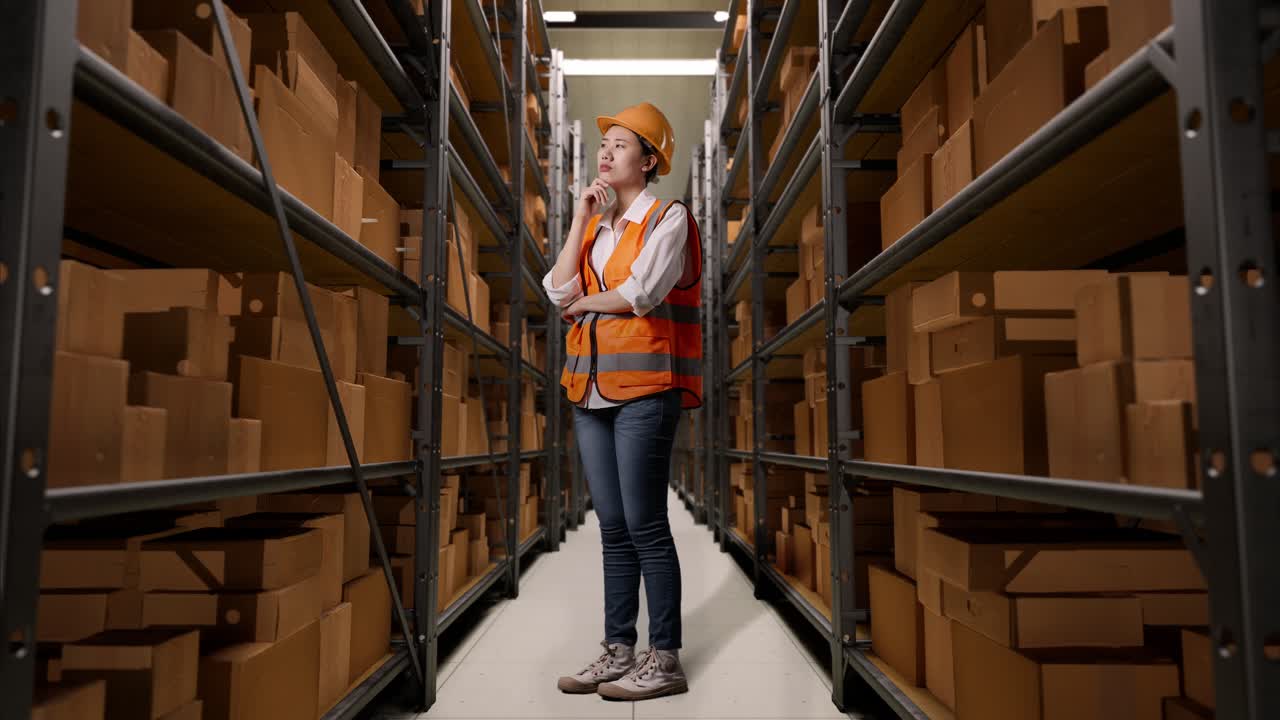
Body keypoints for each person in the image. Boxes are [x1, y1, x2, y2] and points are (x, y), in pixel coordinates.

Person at [542, 102, 702, 701]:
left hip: (644, 392)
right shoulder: (600, 228)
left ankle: (665, 659)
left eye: (619, 144)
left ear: (650, 159)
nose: (604, 153)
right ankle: (618, 649)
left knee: (645, 524)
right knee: (612, 526)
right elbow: (556, 287)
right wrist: (580, 220)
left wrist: (585, 304)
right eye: (603, 144)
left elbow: (640, 293)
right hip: (589, 390)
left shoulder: (670, 216)